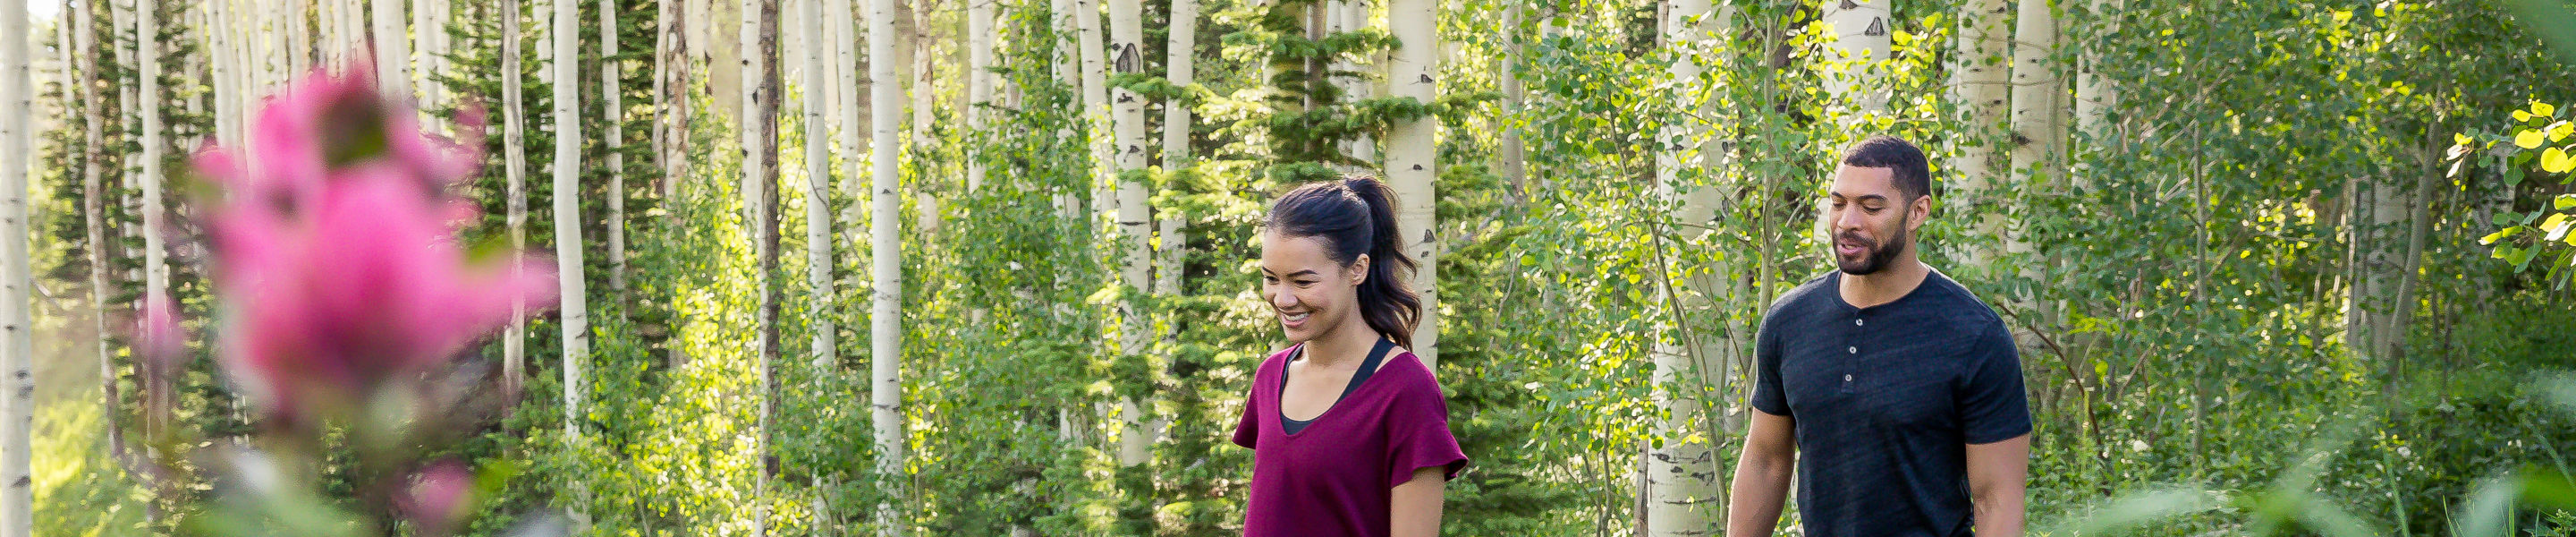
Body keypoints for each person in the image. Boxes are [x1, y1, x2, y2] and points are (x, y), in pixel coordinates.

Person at [1724, 135, 2033, 537]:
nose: (1847, 222)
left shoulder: (1973, 335)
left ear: (1918, 212)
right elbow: (1765, 462)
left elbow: (1998, 499)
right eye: (1838, 204)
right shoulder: (1789, 321)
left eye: (1871, 207)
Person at [1233, 175, 1469, 537]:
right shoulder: (1271, 376)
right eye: (1271, 278)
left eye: (1303, 281)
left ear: (1357, 269)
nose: (1282, 299)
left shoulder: (1405, 390)